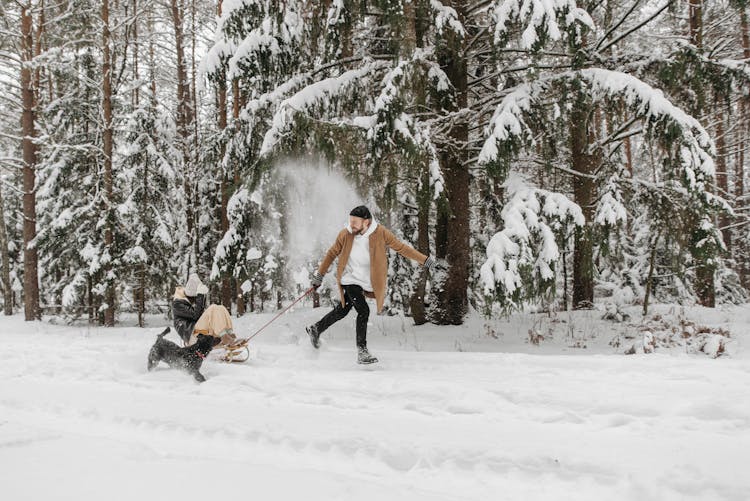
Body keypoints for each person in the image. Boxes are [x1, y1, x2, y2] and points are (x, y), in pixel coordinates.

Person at [306, 205, 438, 364]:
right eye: (350, 221)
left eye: (355, 222)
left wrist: (424, 260)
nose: (351, 224)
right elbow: (331, 253)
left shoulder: (380, 233)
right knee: (364, 310)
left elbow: (401, 248)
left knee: (342, 310)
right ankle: (362, 351)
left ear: (366, 222)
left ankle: (316, 328)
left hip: (365, 282)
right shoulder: (346, 234)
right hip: (350, 280)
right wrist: (319, 276)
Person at [172, 273, 241, 348]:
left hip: (199, 332)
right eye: (195, 297)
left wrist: (201, 297)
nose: (195, 300)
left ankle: (229, 333)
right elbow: (195, 315)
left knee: (221, 307)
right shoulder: (177, 304)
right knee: (213, 307)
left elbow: (201, 315)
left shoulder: (189, 301)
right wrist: (200, 296)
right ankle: (224, 336)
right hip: (192, 337)